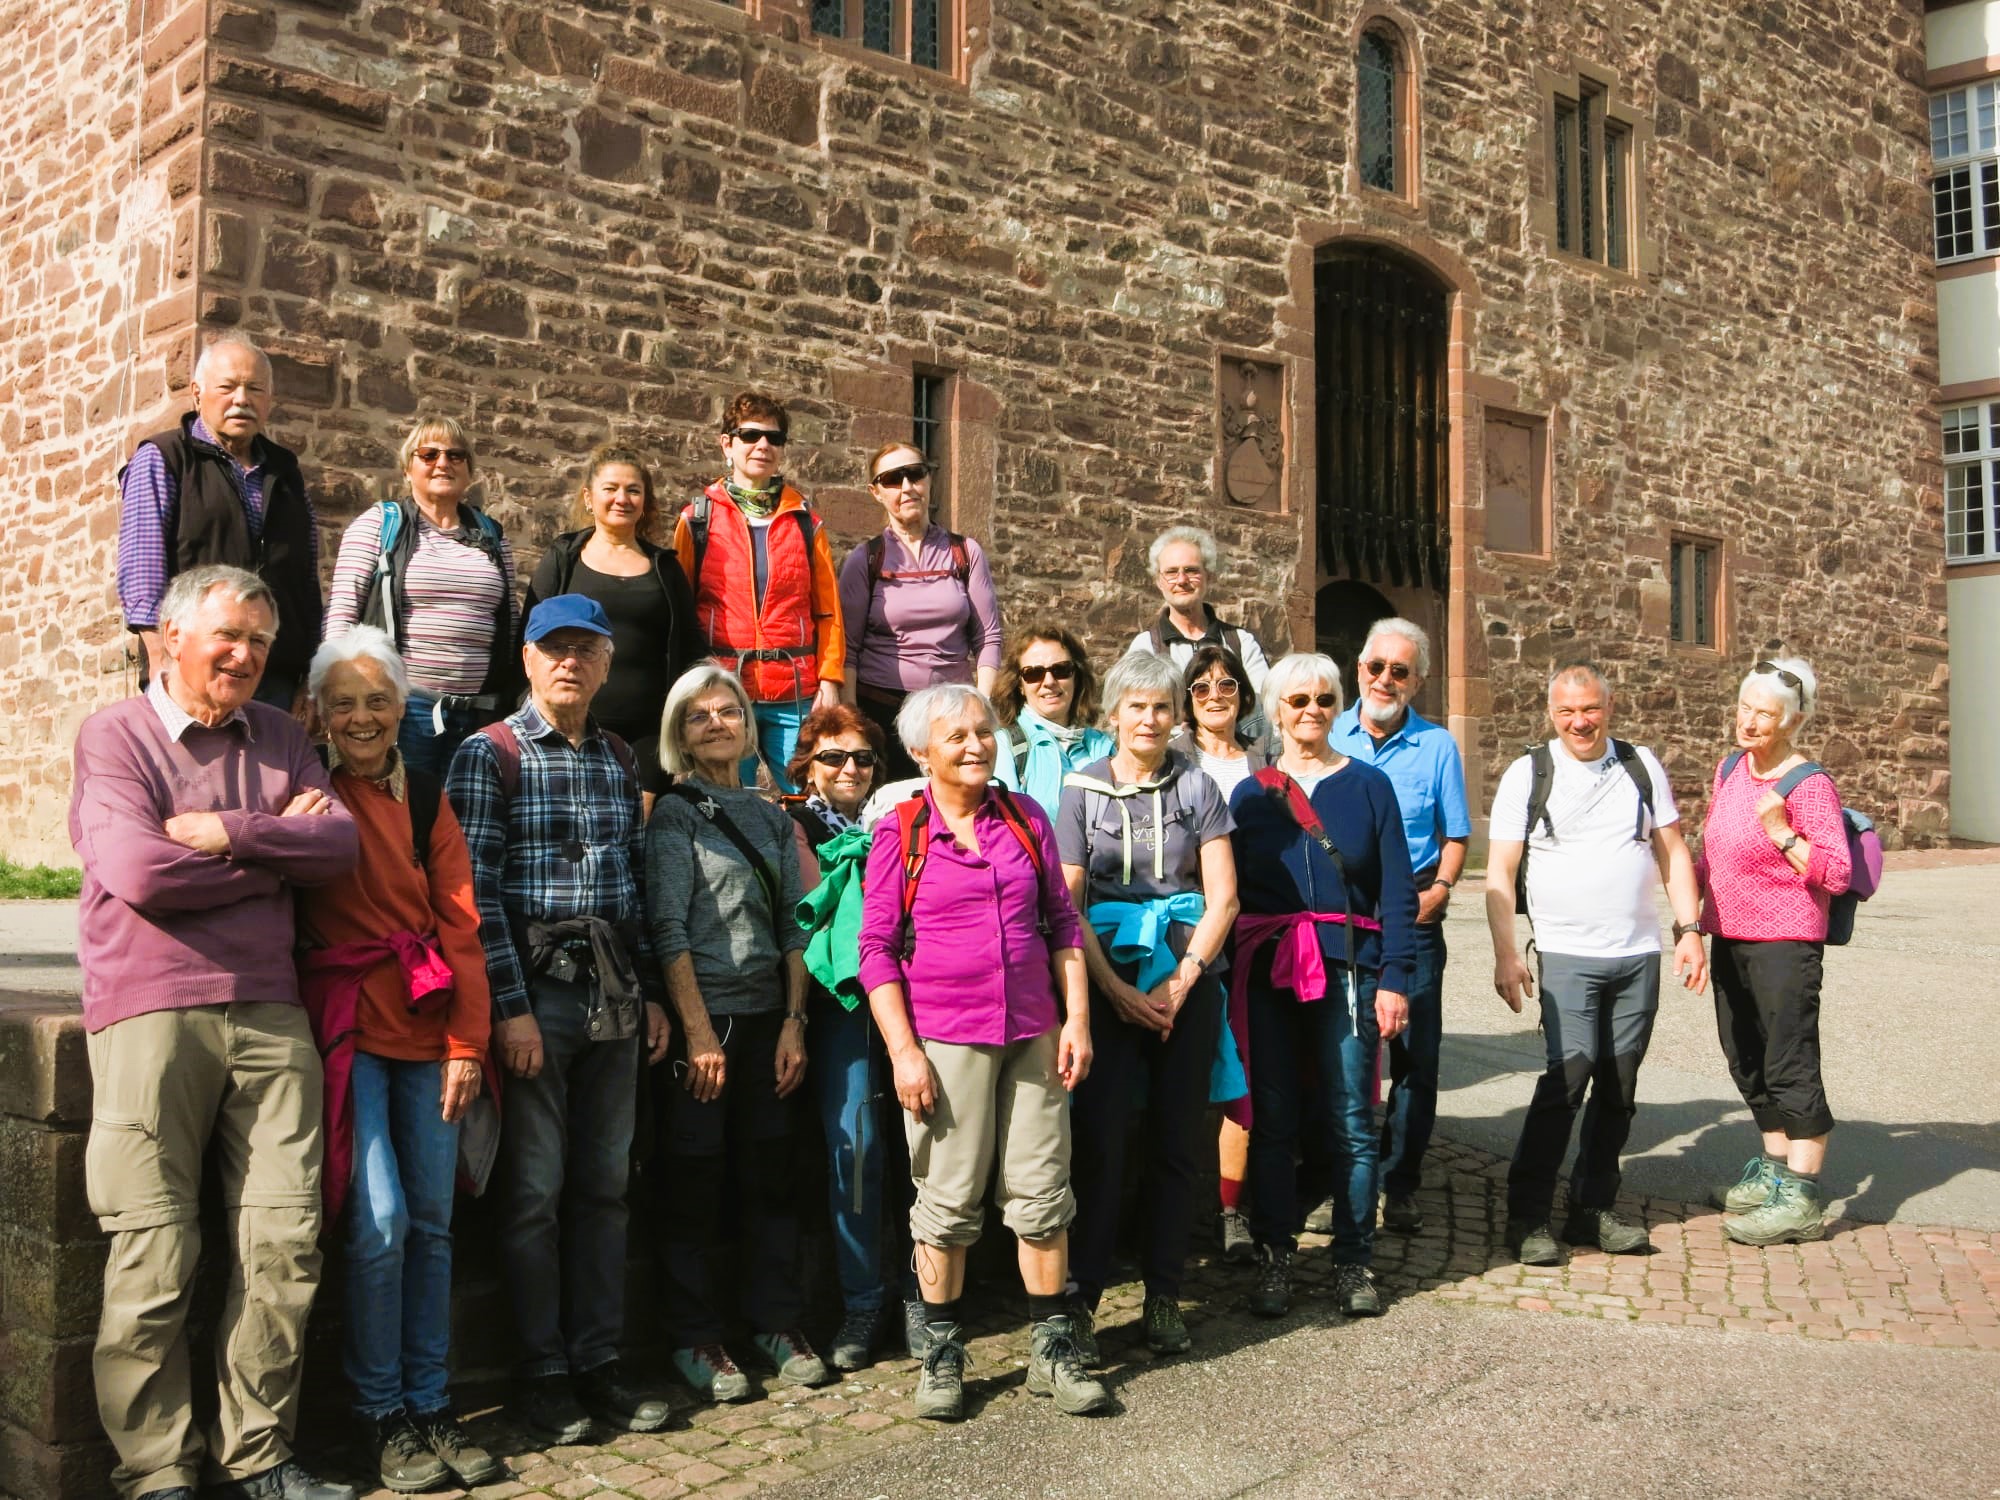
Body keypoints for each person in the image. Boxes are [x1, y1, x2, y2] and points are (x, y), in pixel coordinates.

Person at [68, 564, 359, 1500]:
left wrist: (226, 833)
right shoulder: (114, 736)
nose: (244, 656)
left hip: (271, 1009)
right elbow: (141, 875)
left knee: (285, 1242)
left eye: (261, 644)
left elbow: (341, 848)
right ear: (169, 638)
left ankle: (260, 1456)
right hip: (151, 1008)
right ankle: (157, 1474)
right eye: (228, 636)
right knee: (155, 1250)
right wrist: (275, 851)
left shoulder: (279, 734)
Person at [446, 595, 672, 1444]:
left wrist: (649, 990)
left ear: (609, 664)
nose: (569, 662)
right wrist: (509, 1012)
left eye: (586, 649)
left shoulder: (619, 756)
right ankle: (542, 1372)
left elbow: (636, 886)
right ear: (528, 662)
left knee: (605, 1189)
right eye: (553, 650)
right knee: (535, 1192)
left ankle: (598, 1362)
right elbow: (473, 900)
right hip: (537, 992)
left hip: (613, 989)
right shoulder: (488, 754)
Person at [856, 685, 1109, 1422]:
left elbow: (1063, 925)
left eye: (983, 731)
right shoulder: (900, 831)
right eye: (957, 736)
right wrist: (904, 1051)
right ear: (920, 752)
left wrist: (1078, 1019)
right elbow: (875, 953)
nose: (976, 745)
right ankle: (940, 1354)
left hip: (1033, 1031)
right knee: (944, 1201)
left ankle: (1052, 1350)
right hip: (943, 1038)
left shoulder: (1025, 818)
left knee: (1042, 1195)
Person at [296, 627, 502, 1493]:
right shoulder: (304, 793)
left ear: (402, 706)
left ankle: (429, 1400)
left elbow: (462, 922)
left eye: (377, 699)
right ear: (318, 712)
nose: (361, 716)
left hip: (426, 1030)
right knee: (376, 1223)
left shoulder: (426, 798)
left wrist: (467, 1044)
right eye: (343, 701)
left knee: (432, 1225)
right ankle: (380, 1409)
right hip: (350, 1027)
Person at [1483, 661, 1708, 1267]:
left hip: (1637, 954)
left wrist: (1690, 931)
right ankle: (1528, 1217)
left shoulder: (1640, 764)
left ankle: (1591, 1208)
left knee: (1619, 1086)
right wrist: (1507, 954)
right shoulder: (1529, 773)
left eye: (1591, 709)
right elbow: (1500, 872)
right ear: (1550, 713)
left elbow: (1674, 852)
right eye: (1567, 711)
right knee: (1567, 1079)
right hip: (1565, 953)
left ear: (1610, 707)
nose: (1580, 721)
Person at [645, 663, 827, 1401]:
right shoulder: (677, 814)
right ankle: (696, 1338)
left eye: (729, 711)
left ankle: (776, 1323)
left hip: (766, 1020)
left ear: (750, 724)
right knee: (693, 1182)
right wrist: (697, 1034)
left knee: (770, 1178)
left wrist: (794, 1022)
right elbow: (668, 927)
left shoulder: (770, 815)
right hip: (708, 1024)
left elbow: (795, 926)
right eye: (699, 716)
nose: (717, 723)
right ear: (679, 735)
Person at [1058, 653, 1239, 1360]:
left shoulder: (1197, 787)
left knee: (1174, 1143)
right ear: (1112, 717)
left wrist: (1183, 979)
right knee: (1100, 1143)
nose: (1150, 718)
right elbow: (1067, 905)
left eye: (1162, 706)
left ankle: (1164, 1294)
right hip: (1107, 976)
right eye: (1136, 706)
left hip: (1185, 977)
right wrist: (1113, 991)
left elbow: (1224, 896)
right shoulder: (1080, 790)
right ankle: (1081, 1299)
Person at [1227, 653, 1415, 1321]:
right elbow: (1233, 894)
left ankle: (1352, 1260)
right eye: (1298, 699)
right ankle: (1275, 1255)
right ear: (1275, 710)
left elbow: (1397, 890)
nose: (1311, 711)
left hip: (1349, 969)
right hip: (1271, 968)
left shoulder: (1369, 786)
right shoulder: (1251, 796)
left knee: (1351, 1123)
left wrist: (1396, 977)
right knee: (1274, 1122)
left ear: (1339, 708)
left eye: (1324, 699)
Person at [1698, 657, 1852, 1246]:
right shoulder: (1732, 767)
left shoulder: (1808, 784)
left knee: (1789, 1063)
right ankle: (1774, 1172)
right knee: (1746, 1058)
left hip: (1786, 943)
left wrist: (1783, 830)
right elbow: (1716, 851)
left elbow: (1835, 873)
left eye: (1766, 713)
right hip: (1729, 935)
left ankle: (1803, 1198)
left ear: (1793, 721)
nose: (1751, 721)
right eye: (1746, 708)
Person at [783, 705, 918, 1368]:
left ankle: (924, 1297)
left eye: (863, 757)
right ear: (808, 763)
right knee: (857, 1154)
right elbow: (812, 909)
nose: (850, 769)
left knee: (922, 1150)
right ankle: (864, 1303)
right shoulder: (797, 823)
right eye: (834, 756)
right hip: (844, 1005)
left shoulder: (903, 817)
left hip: (914, 999)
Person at [1325, 618, 1469, 1235]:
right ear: (1358, 669)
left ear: (1420, 681)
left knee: (1414, 1057)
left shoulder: (1437, 746)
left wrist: (1439, 891)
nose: (1385, 679)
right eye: (1375, 666)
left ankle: (1399, 1180)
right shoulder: (1327, 730)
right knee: (1339, 1053)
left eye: (1399, 670)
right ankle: (1338, 1179)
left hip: (1411, 915)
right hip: (1345, 919)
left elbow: (1456, 835)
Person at [116, 333, 322, 711]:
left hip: (275, 677)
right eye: (227, 387)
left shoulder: (285, 471)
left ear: (268, 400)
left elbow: (305, 581)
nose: (241, 399)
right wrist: (161, 660)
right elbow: (142, 569)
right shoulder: (165, 458)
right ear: (197, 393)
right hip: (192, 672)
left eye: (254, 388)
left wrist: (310, 673)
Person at [325, 416, 521, 775]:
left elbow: (509, 620)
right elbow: (342, 613)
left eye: (455, 455)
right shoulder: (379, 524)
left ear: (469, 471)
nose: (442, 463)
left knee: (463, 824)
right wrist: (333, 698)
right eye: (428, 454)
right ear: (407, 468)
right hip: (403, 709)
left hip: (478, 716)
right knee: (403, 819)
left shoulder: (492, 535)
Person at [672, 392, 845, 791]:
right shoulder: (698, 519)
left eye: (774, 438)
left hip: (795, 692)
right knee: (730, 799)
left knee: (810, 799)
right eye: (749, 435)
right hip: (724, 689)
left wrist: (830, 679)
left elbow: (828, 611)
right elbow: (681, 610)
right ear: (727, 444)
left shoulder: (805, 521)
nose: (762, 445)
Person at [526, 445, 703, 796]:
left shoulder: (665, 567)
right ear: (589, 498)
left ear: (645, 502)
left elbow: (691, 648)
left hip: (649, 733)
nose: (622, 498)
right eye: (611, 489)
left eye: (633, 490)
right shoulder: (564, 559)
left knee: (639, 831)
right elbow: (529, 638)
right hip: (567, 724)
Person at [836, 441, 1003, 782]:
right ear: (876, 492)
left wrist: (981, 705)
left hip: (951, 714)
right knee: (889, 813)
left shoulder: (965, 553)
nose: (907, 487)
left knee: (955, 806)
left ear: (929, 480)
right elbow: (847, 648)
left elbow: (988, 636)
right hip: (882, 714)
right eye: (892, 479)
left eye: (915, 474)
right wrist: (853, 722)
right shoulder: (865, 559)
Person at [1175, 642, 1266, 1264]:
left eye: (1226, 686)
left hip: (1253, 928)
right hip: (1187, 929)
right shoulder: (1171, 760)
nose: (1214, 696)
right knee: (1185, 1066)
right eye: (1202, 686)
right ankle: (1178, 1205)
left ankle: (1232, 1209)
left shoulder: (1265, 764)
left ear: (1243, 696)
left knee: (1244, 1069)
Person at [1125, 525, 1272, 742]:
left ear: (1208, 576)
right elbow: (1137, 716)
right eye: (1171, 572)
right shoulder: (1146, 647)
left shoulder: (1240, 642)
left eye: (1192, 570)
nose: (1182, 580)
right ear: (1158, 581)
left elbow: (1265, 711)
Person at [990, 620, 1112, 816]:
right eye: (1034, 673)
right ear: (1020, 685)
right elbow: (1010, 827)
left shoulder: (1103, 746)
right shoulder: (1005, 747)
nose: (1049, 682)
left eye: (1061, 670)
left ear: (1076, 676)